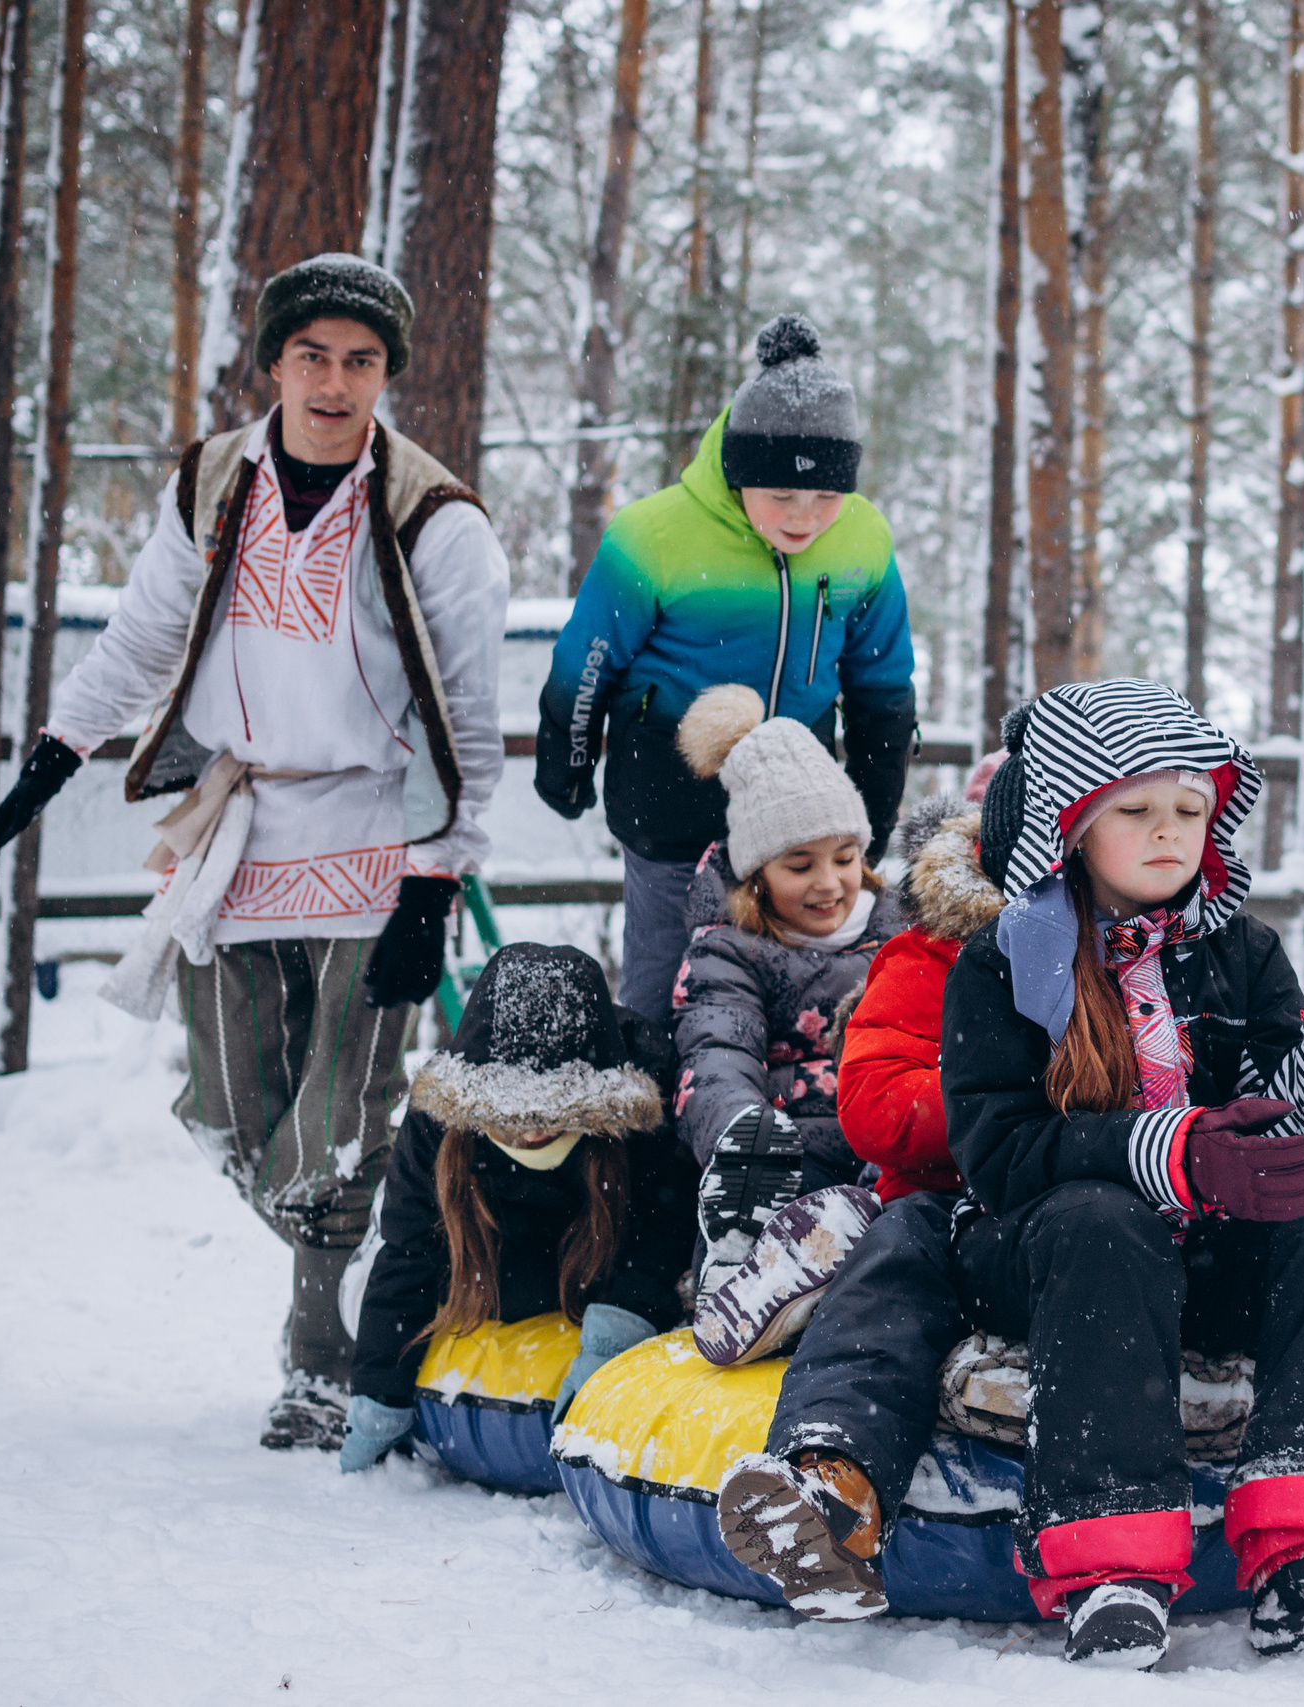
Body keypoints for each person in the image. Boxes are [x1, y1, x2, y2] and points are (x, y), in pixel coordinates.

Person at [720, 715, 1304, 1657]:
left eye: (1190, 808)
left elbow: (1303, 1141)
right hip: (1041, 1244)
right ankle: (1103, 1560)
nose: (1170, 829)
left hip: (1202, 1250)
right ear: (1069, 822)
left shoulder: (1239, 953)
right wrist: (1174, 1149)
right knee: (1087, 1220)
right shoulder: (1002, 962)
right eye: (1137, 809)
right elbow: (997, 1154)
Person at [0, 253, 508, 1451]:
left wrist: (437, 876)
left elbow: (466, 718)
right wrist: (52, 758)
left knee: (339, 1113)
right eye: (311, 354)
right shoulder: (215, 481)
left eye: (360, 360)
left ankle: (319, 1363)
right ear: (272, 362)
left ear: (386, 376)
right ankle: (377, 1259)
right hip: (239, 827)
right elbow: (140, 635)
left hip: (378, 833)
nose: (333, 380)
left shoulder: (432, 517)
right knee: (223, 1098)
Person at [535, 313, 917, 1027]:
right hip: (671, 802)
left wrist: (874, 807)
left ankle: (766, 1126)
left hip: (795, 819)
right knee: (662, 985)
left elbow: (882, 683)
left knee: (793, 999)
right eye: (781, 496)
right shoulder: (655, 536)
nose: (805, 518)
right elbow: (587, 664)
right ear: (739, 470)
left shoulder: (862, 537)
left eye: (825, 496)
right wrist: (568, 757)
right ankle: (651, 1126)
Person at [337, 944, 697, 1472]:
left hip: (592, 1255)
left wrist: (616, 1332)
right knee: (384, 1298)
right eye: (512, 1116)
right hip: (481, 1257)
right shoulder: (438, 1120)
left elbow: (660, 1230)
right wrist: (376, 1400)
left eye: (550, 1115)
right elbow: (407, 1250)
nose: (531, 1131)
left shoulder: (642, 1108)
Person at [666, 682, 905, 1365]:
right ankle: (741, 1277)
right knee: (772, 1192)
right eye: (800, 864)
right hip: (788, 1147)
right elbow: (715, 1048)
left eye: (844, 857)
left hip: (888, 1136)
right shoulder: (729, 949)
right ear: (756, 874)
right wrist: (742, 1131)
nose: (829, 882)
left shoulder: (901, 934)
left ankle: (847, 1305)